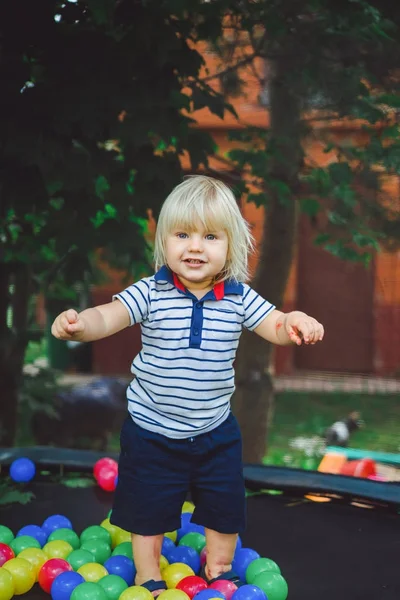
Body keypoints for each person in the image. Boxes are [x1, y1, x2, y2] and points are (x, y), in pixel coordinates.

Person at [52, 175, 324, 596]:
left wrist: (294, 322)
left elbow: (274, 323)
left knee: (225, 506)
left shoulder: (238, 298)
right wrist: (79, 324)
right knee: (148, 511)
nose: (195, 247)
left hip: (214, 430)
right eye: (183, 234)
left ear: (231, 246)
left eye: (210, 236)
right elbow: (109, 315)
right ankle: (148, 575)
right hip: (152, 432)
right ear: (164, 242)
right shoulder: (152, 291)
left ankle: (218, 568)